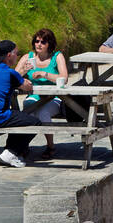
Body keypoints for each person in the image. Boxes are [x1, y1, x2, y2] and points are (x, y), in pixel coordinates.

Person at [0, 40, 38, 168]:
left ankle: (12, 151)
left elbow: (7, 80)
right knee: (35, 122)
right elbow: (27, 87)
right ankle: (11, 152)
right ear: (9, 55)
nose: (17, 56)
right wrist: (24, 79)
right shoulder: (10, 73)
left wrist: (20, 74)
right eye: (16, 53)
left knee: (20, 117)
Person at [17, 29, 67, 160]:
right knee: (28, 110)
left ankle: (50, 146)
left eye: (43, 42)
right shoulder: (28, 57)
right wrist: (24, 70)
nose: (38, 44)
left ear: (49, 44)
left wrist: (44, 74)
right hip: (34, 95)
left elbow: (64, 78)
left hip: (54, 97)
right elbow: (13, 77)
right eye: (36, 41)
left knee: (42, 113)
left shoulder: (57, 56)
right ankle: (23, 145)